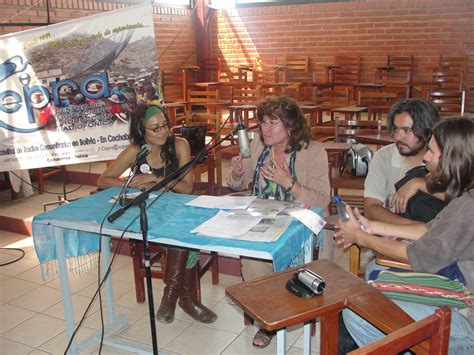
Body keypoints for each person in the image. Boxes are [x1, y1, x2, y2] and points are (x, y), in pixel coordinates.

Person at [335, 116, 474, 354]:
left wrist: (361, 238)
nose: (426, 157)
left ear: (452, 159)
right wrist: (372, 227)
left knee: (357, 312)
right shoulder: (466, 195)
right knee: (372, 275)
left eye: (431, 151)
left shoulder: (467, 206)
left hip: (467, 318)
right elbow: (427, 230)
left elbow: (415, 256)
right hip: (462, 284)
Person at [97, 103, 217, 324]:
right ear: (142, 131)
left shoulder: (180, 145)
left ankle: (170, 297)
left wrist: (157, 180)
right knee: (179, 238)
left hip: (180, 209)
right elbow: (103, 180)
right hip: (150, 213)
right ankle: (187, 300)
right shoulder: (136, 151)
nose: (164, 132)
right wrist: (131, 183)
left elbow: (187, 188)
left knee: (180, 236)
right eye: (156, 129)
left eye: (165, 125)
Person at [226, 95, 331, 348]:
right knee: (251, 257)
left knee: (292, 261)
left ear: (291, 127)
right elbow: (235, 184)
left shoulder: (314, 152)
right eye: (263, 122)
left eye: (273, 123)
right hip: (265, 220)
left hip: (302, 225)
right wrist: (237, 173)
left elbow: (322, 199)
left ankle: (285, 312)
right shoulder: (259, 149)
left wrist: (290, 184)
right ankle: (269, 321)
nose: (265, 129)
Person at [364, 98, 441, 225]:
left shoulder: (443, 158)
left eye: (407, 130)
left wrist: (419, 183)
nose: (398, 137)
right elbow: (371, 208)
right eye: (396, 129)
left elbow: (462, 199)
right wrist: (413, 228)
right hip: (398, 232)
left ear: (427, 131)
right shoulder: (383, 157)